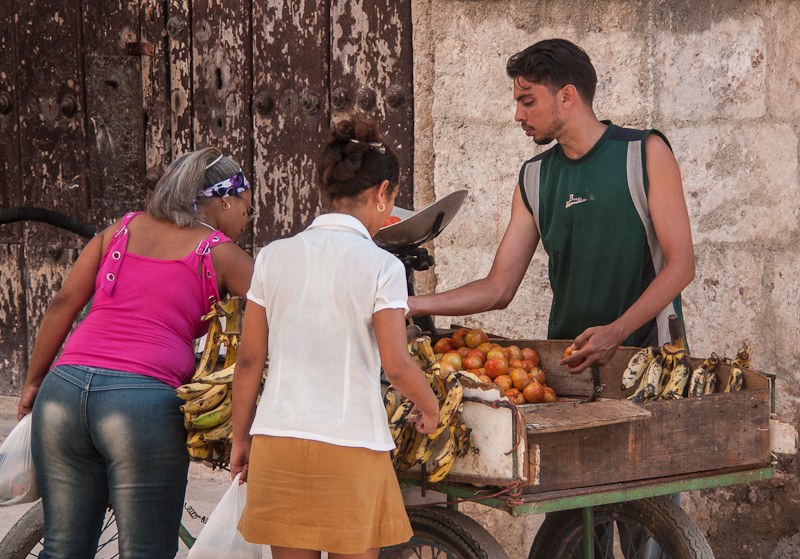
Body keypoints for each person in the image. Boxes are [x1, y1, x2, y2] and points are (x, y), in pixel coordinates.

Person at [18, 147, 255, 559]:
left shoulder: (120, 230)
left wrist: (35, 381)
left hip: (63, 393)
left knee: (62, 549)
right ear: (226, 200)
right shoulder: (222, 253)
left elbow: (63, 304)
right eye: (247, 210)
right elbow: (279, 320)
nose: (246, 221)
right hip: (141, 406)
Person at [408, 38, 695, 373]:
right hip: (570, 369)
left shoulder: (644, 152)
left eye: (527, 102)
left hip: (652, 368)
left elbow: (682, 266)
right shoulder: (534, 177)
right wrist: (411, 304)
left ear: (567, 96)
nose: (518, 115)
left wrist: (617, 331)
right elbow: (499, 288)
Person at [230, 117, 439, 559]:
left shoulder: (272, 257)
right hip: (352, 448)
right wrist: (430, 405)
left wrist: (241, 438)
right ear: (383, 192)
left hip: (277, 444)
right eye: (393, 199)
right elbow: (397, 364)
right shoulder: (383, 267)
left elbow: (248, 361)